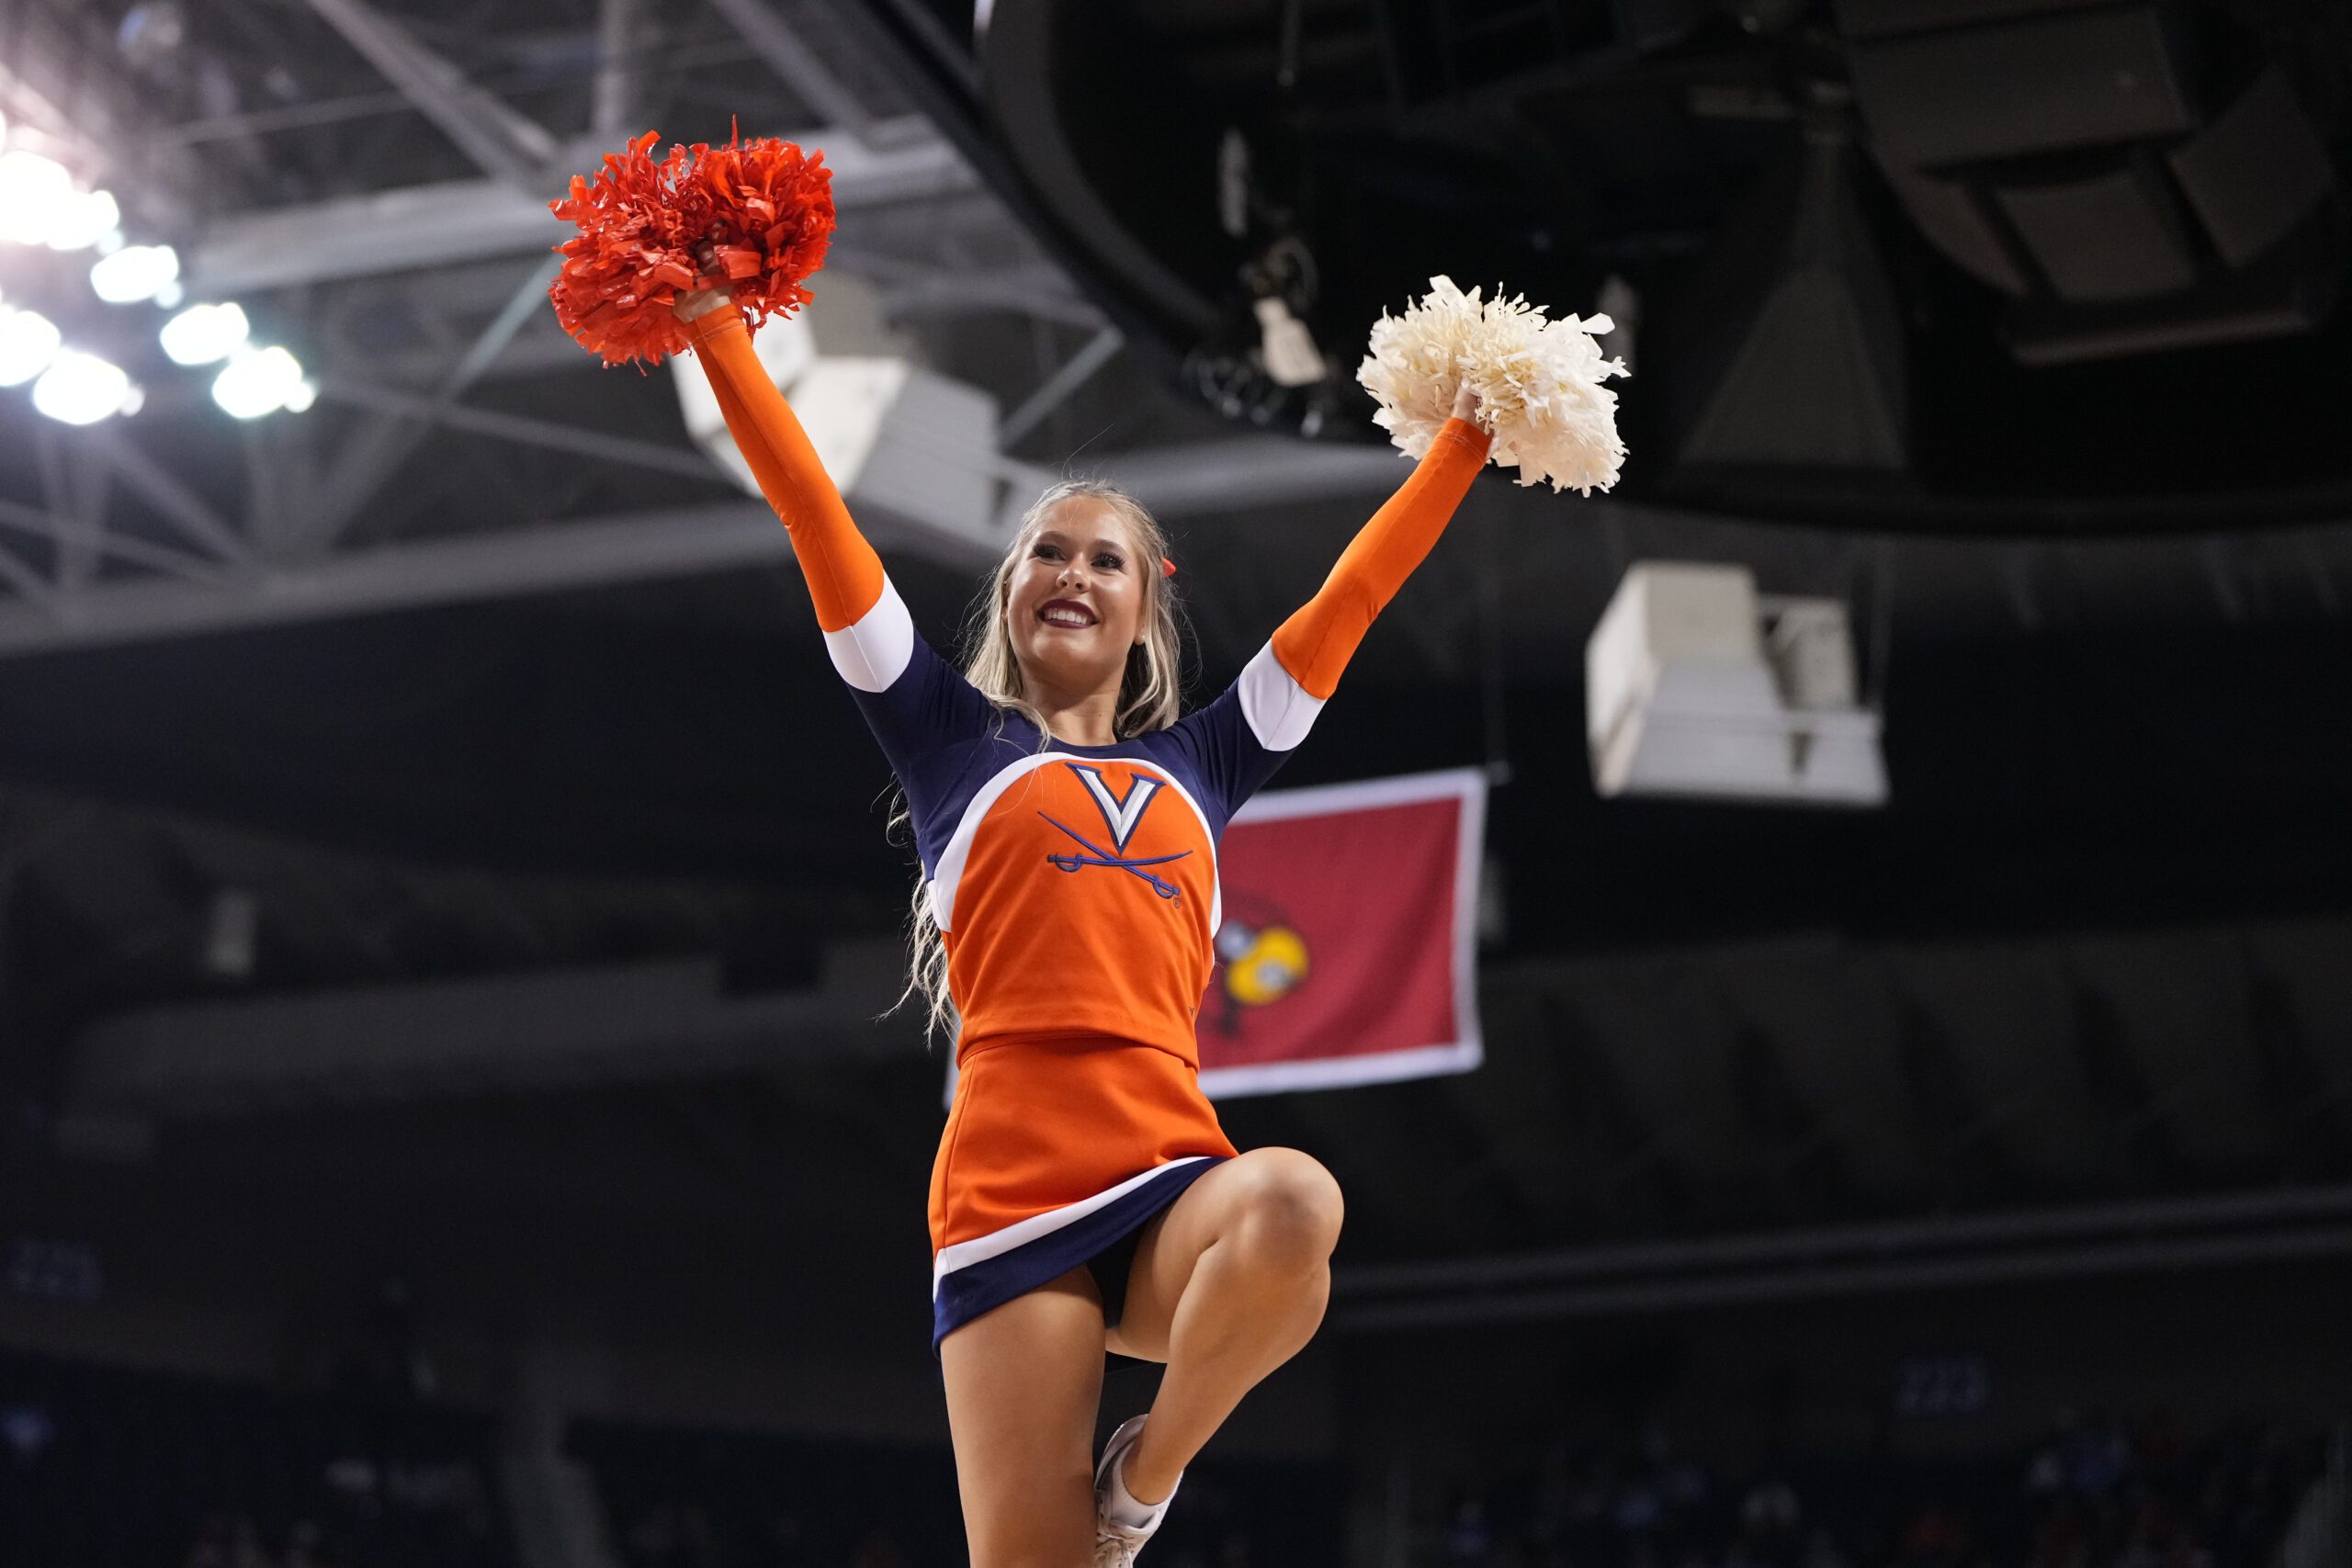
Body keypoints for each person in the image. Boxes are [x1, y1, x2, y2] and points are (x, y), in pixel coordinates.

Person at [668, 280, 1491, 1568]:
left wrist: (1470, 436)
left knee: (1293, 1207)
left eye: (1104, 559)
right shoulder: (946, 741)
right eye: (1048, 552)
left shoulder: (1209, 764)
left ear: (1144, 609)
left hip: (1165, 1166)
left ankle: (1141, 1488)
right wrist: (718, 330)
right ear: (1009, 593)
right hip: (1009, 1186)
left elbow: (1357, 595)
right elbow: (813, 515)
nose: (1073, 574)